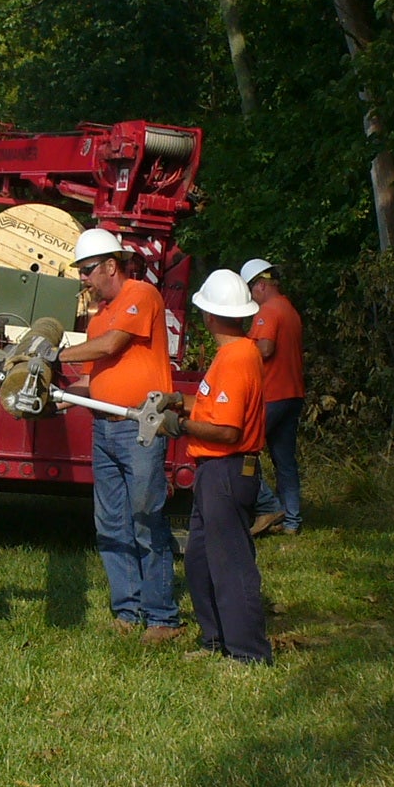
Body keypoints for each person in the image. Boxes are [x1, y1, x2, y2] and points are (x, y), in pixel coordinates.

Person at [54, 228, 184, 643]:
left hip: (138, 428)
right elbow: (92, 383)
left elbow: (112, 346)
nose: (83, 279)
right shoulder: (97, 319)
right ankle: (127, 611)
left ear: (111, 265)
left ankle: (163, 618)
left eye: (88, 270)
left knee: (146, 519)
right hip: (105, 428)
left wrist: (53, 354)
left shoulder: (141, 295)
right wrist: (53, 395)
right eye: (80, 272)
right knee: (111, 522)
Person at [162, 269, 272, 665]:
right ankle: (216, 641)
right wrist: (180, 401)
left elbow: (227, 430)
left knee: (230, 562)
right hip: (217, 470)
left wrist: (180, 425)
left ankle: (248, 653)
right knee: (201, 559)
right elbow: (217, 408)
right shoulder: (232, 354)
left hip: (227, 468)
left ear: (208, 315)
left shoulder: (238, 357)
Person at [240, 258, 305, 536]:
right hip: (293, 394)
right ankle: (291, 521)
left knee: (242, 449)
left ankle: (268, 506)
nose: (250, 298)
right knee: (285, 460)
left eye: (250, 290)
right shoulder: (290, 310)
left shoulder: (267, 311)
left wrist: (239, 354)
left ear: (261, 285)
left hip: (272, 395)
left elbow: (264, 349)